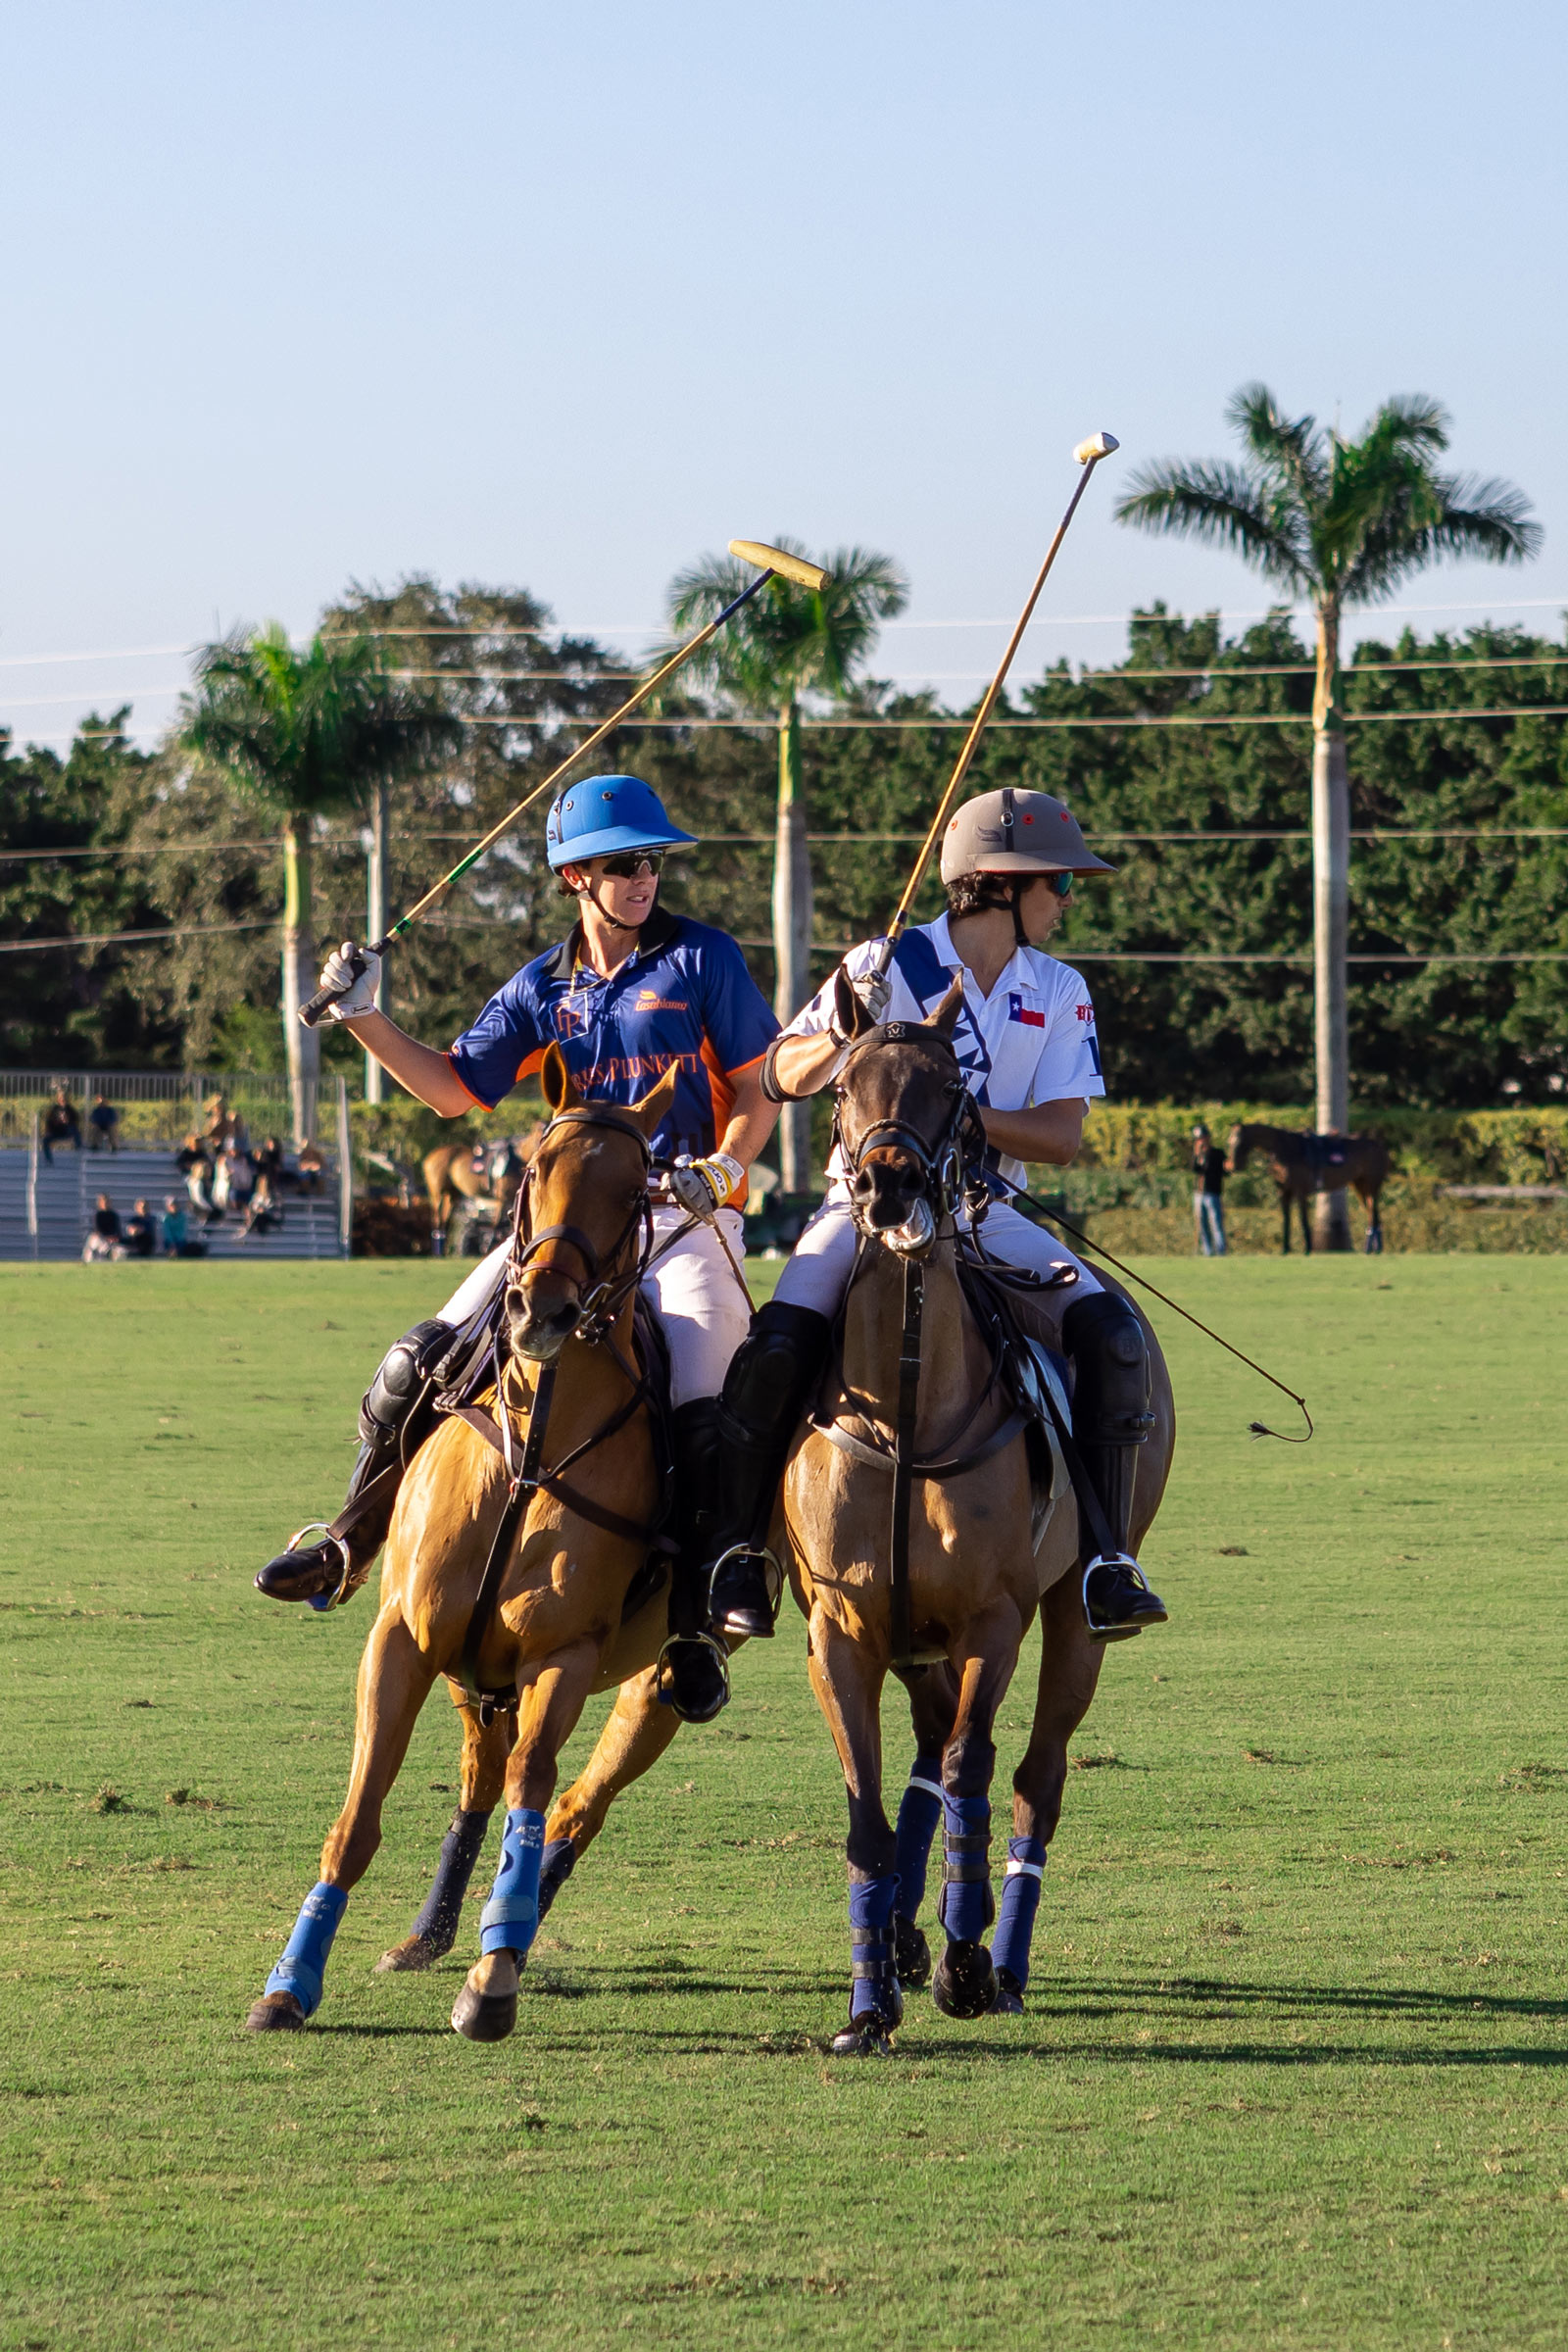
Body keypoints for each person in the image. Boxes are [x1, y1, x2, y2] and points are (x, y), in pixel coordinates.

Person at [254, 774, 782, 1724]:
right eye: (623, 863)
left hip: (685, 1213)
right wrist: (365, 1015)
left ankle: (705, 1609)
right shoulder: (545, 983)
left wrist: (727, 1170)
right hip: (565, 1231)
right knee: (417, 1358)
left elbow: (758, 1089)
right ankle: (347, 1541)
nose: (642, 878)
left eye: (652, 861)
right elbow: (456, 1091)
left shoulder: (703, 960)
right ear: (576, 875)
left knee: (712, 1389)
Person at [688, 786, 1168, 1646]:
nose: (1067, 900)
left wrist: (955, 1117)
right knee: (775, 1346)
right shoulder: (885, 962)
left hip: (986, 1209)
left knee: (1113, 1335)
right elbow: (776, 1074)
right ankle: (739, 1555)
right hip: (864, 1206)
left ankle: (1104, 1557)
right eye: (1059, 883)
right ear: (999, 884)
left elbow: (1060, 1136)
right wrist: (847, 1036)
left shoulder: (1058, 988)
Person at [1192, 1121, 1227, 1255]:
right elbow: (1195, 1169)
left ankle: (1220, 1250)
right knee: (1202, 1225)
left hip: (1213, 1193)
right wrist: (1199, 1156)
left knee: (1216, 1224)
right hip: (1199, 1194)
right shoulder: (1197, 1155)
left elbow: (1222, 1171)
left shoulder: (1217, 1154)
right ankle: (1207, 1251)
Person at [41, 1087, 81, 1164]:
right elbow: (49, 1121)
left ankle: (79, 1149)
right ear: (58, 1099)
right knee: (45, 1140)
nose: (63, 1099)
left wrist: (68, 1121)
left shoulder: (71, 1110)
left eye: (64, 1098)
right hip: (56, 1131)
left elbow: (76, 1121)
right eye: (61, 1098)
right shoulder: (54, 1109)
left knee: (74, 1130)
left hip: (66, 1131)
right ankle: (48, 1160)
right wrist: (48, 1130)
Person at [82, 1194, 124, 1261]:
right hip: (101, 1238)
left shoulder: (114, 1215)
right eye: (103, 1201)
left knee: (119, 1251)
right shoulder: (98, 1214)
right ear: (99, 1203)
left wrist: (115, 1238)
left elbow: (118, 1230)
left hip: (111, 1239)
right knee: (93, 1240)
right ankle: (88, 1261)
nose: (105, 1203)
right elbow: (97, 1230)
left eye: (107, 1201)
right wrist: (106, 1237)